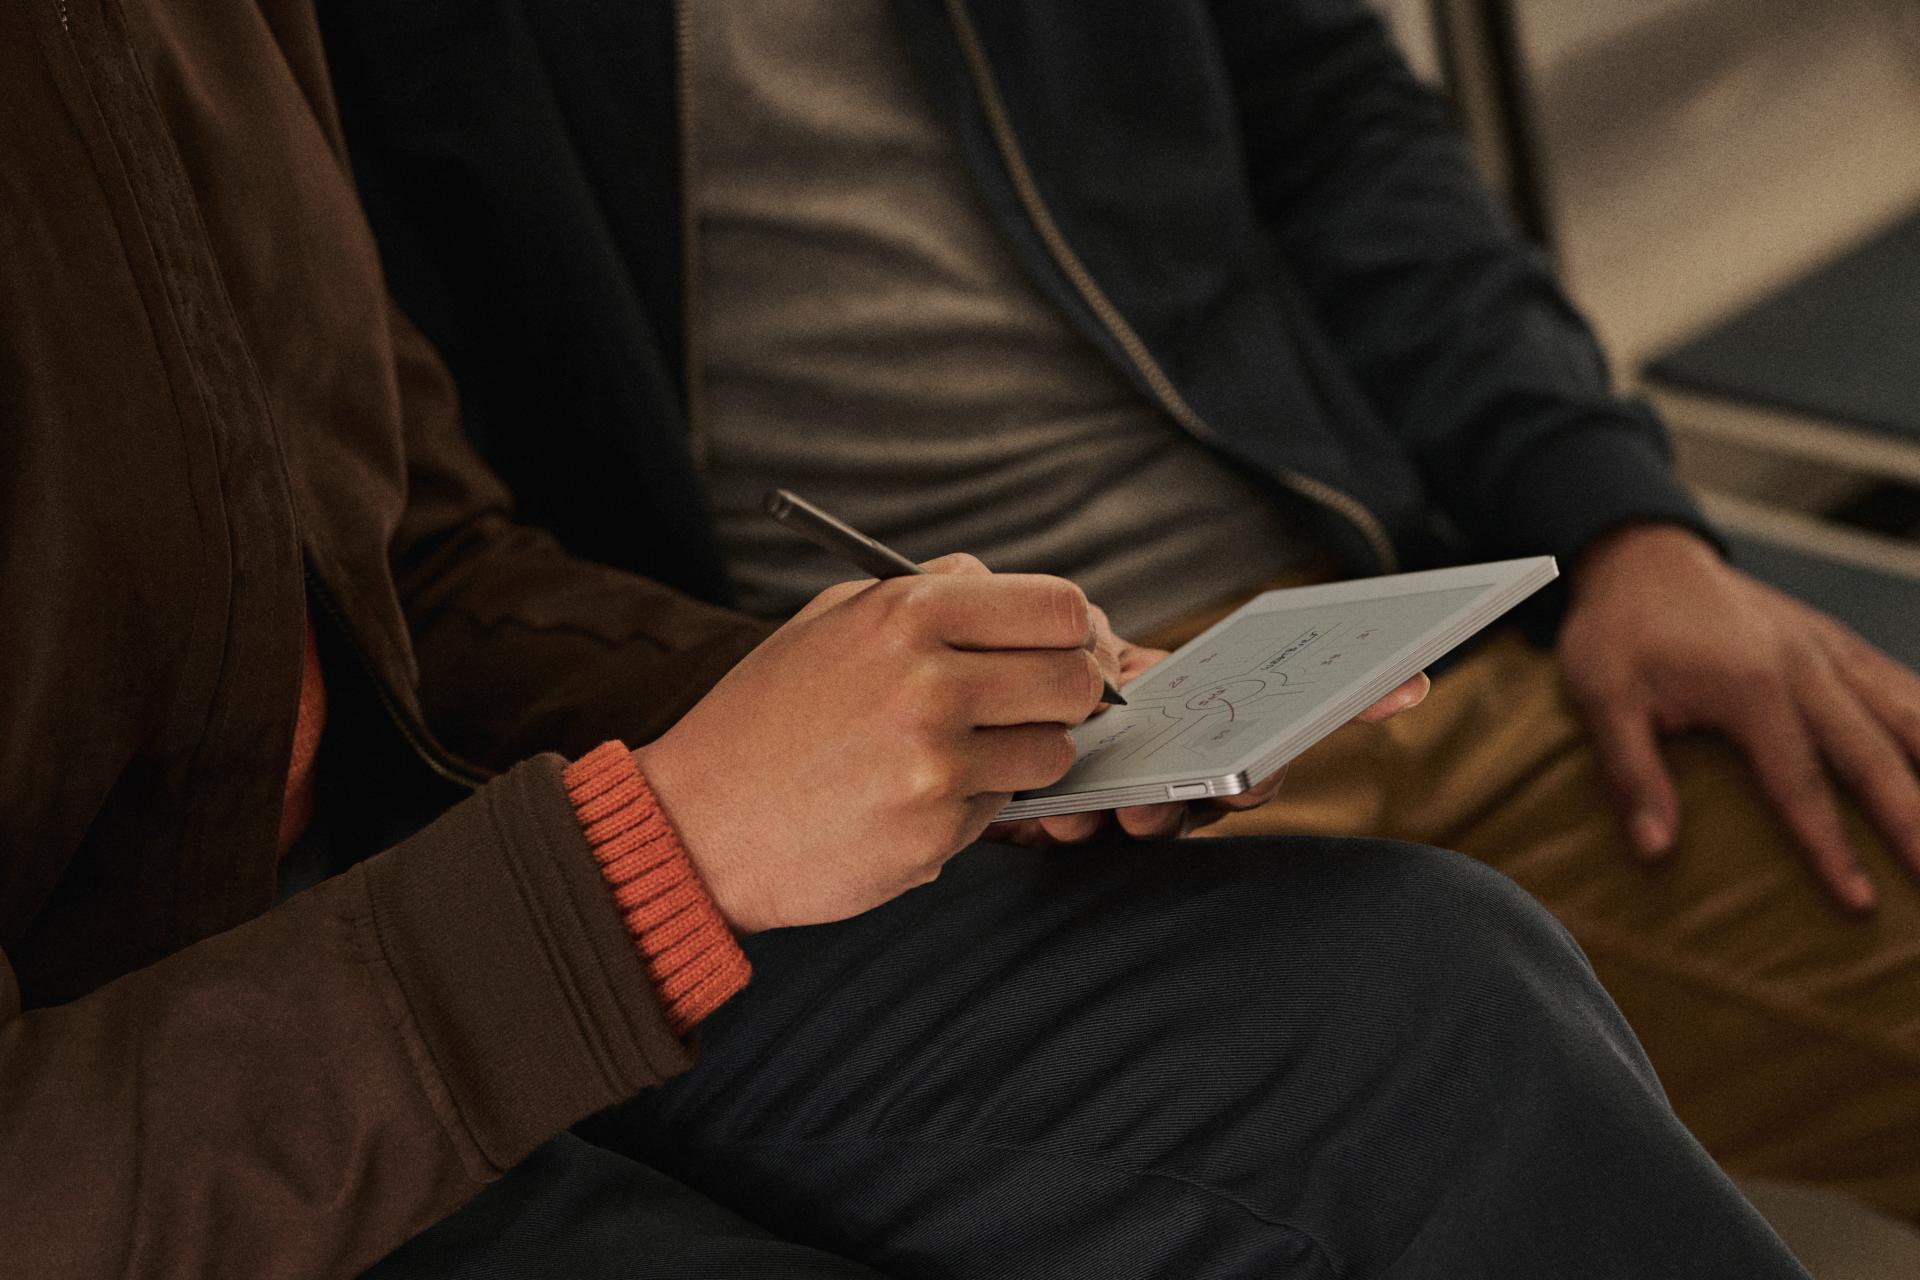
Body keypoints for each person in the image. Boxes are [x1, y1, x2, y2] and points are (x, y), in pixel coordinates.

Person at [0, 0, 1814, 1276]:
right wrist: (670, 847)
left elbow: (420, 567)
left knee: (1418, 996)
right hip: (237, 1049)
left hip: (1211, 654)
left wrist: (936, 719)